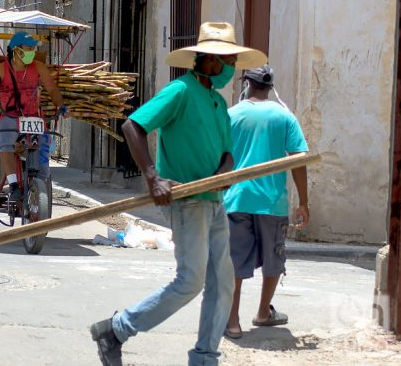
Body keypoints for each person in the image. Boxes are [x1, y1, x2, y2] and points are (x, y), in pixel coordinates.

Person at [89, 22, 267, 366]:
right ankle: (116, 329)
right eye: (228, 60)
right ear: (210, 60)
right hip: (187, 203)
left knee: (223, 283)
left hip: (214, 202)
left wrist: (222, 173)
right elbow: (133, 126)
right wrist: (152, 176)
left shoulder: (216, 101)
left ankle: (205, 356)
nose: (231, 68)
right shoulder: (180, 91)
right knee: (190, 281)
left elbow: (227, 151)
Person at [223, 65, 310, 339]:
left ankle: (232, 321)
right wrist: (303, 202)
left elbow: (218, 157)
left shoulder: (230, 115)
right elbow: (298, 159)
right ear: (270, 88)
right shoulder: (284, 116)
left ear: (247, 83)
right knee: (274, 258)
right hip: (272, 202)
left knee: (234, 261)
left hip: (236, 199)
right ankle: (263, 313)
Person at [0, 31, 66, 202]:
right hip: (10, 116)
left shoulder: (38, 67)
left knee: (42, 144)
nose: (33, 50)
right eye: (29, 47)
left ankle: (40, 182)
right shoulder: (1, 69)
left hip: (34, 117)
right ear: (16, 50)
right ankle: (13, 185)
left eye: (33, 47)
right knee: (6, 142)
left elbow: (53, 90)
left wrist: (61, 105)